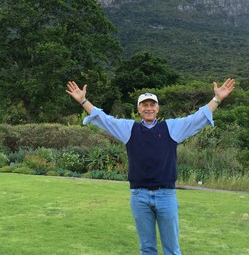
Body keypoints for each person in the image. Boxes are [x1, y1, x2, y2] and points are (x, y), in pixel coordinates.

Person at [66, 78, 235, 255]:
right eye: (144, 105)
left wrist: (217, 99)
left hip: (166, 195)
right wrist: (83, 101)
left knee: (172, 249)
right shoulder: (128, 129)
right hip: (139, 196)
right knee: (147, 248)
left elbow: (196, 119)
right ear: (139, 109)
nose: (148, 108)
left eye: (152, 105)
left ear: (157, 108)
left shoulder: (171, 128)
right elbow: (104, 119)